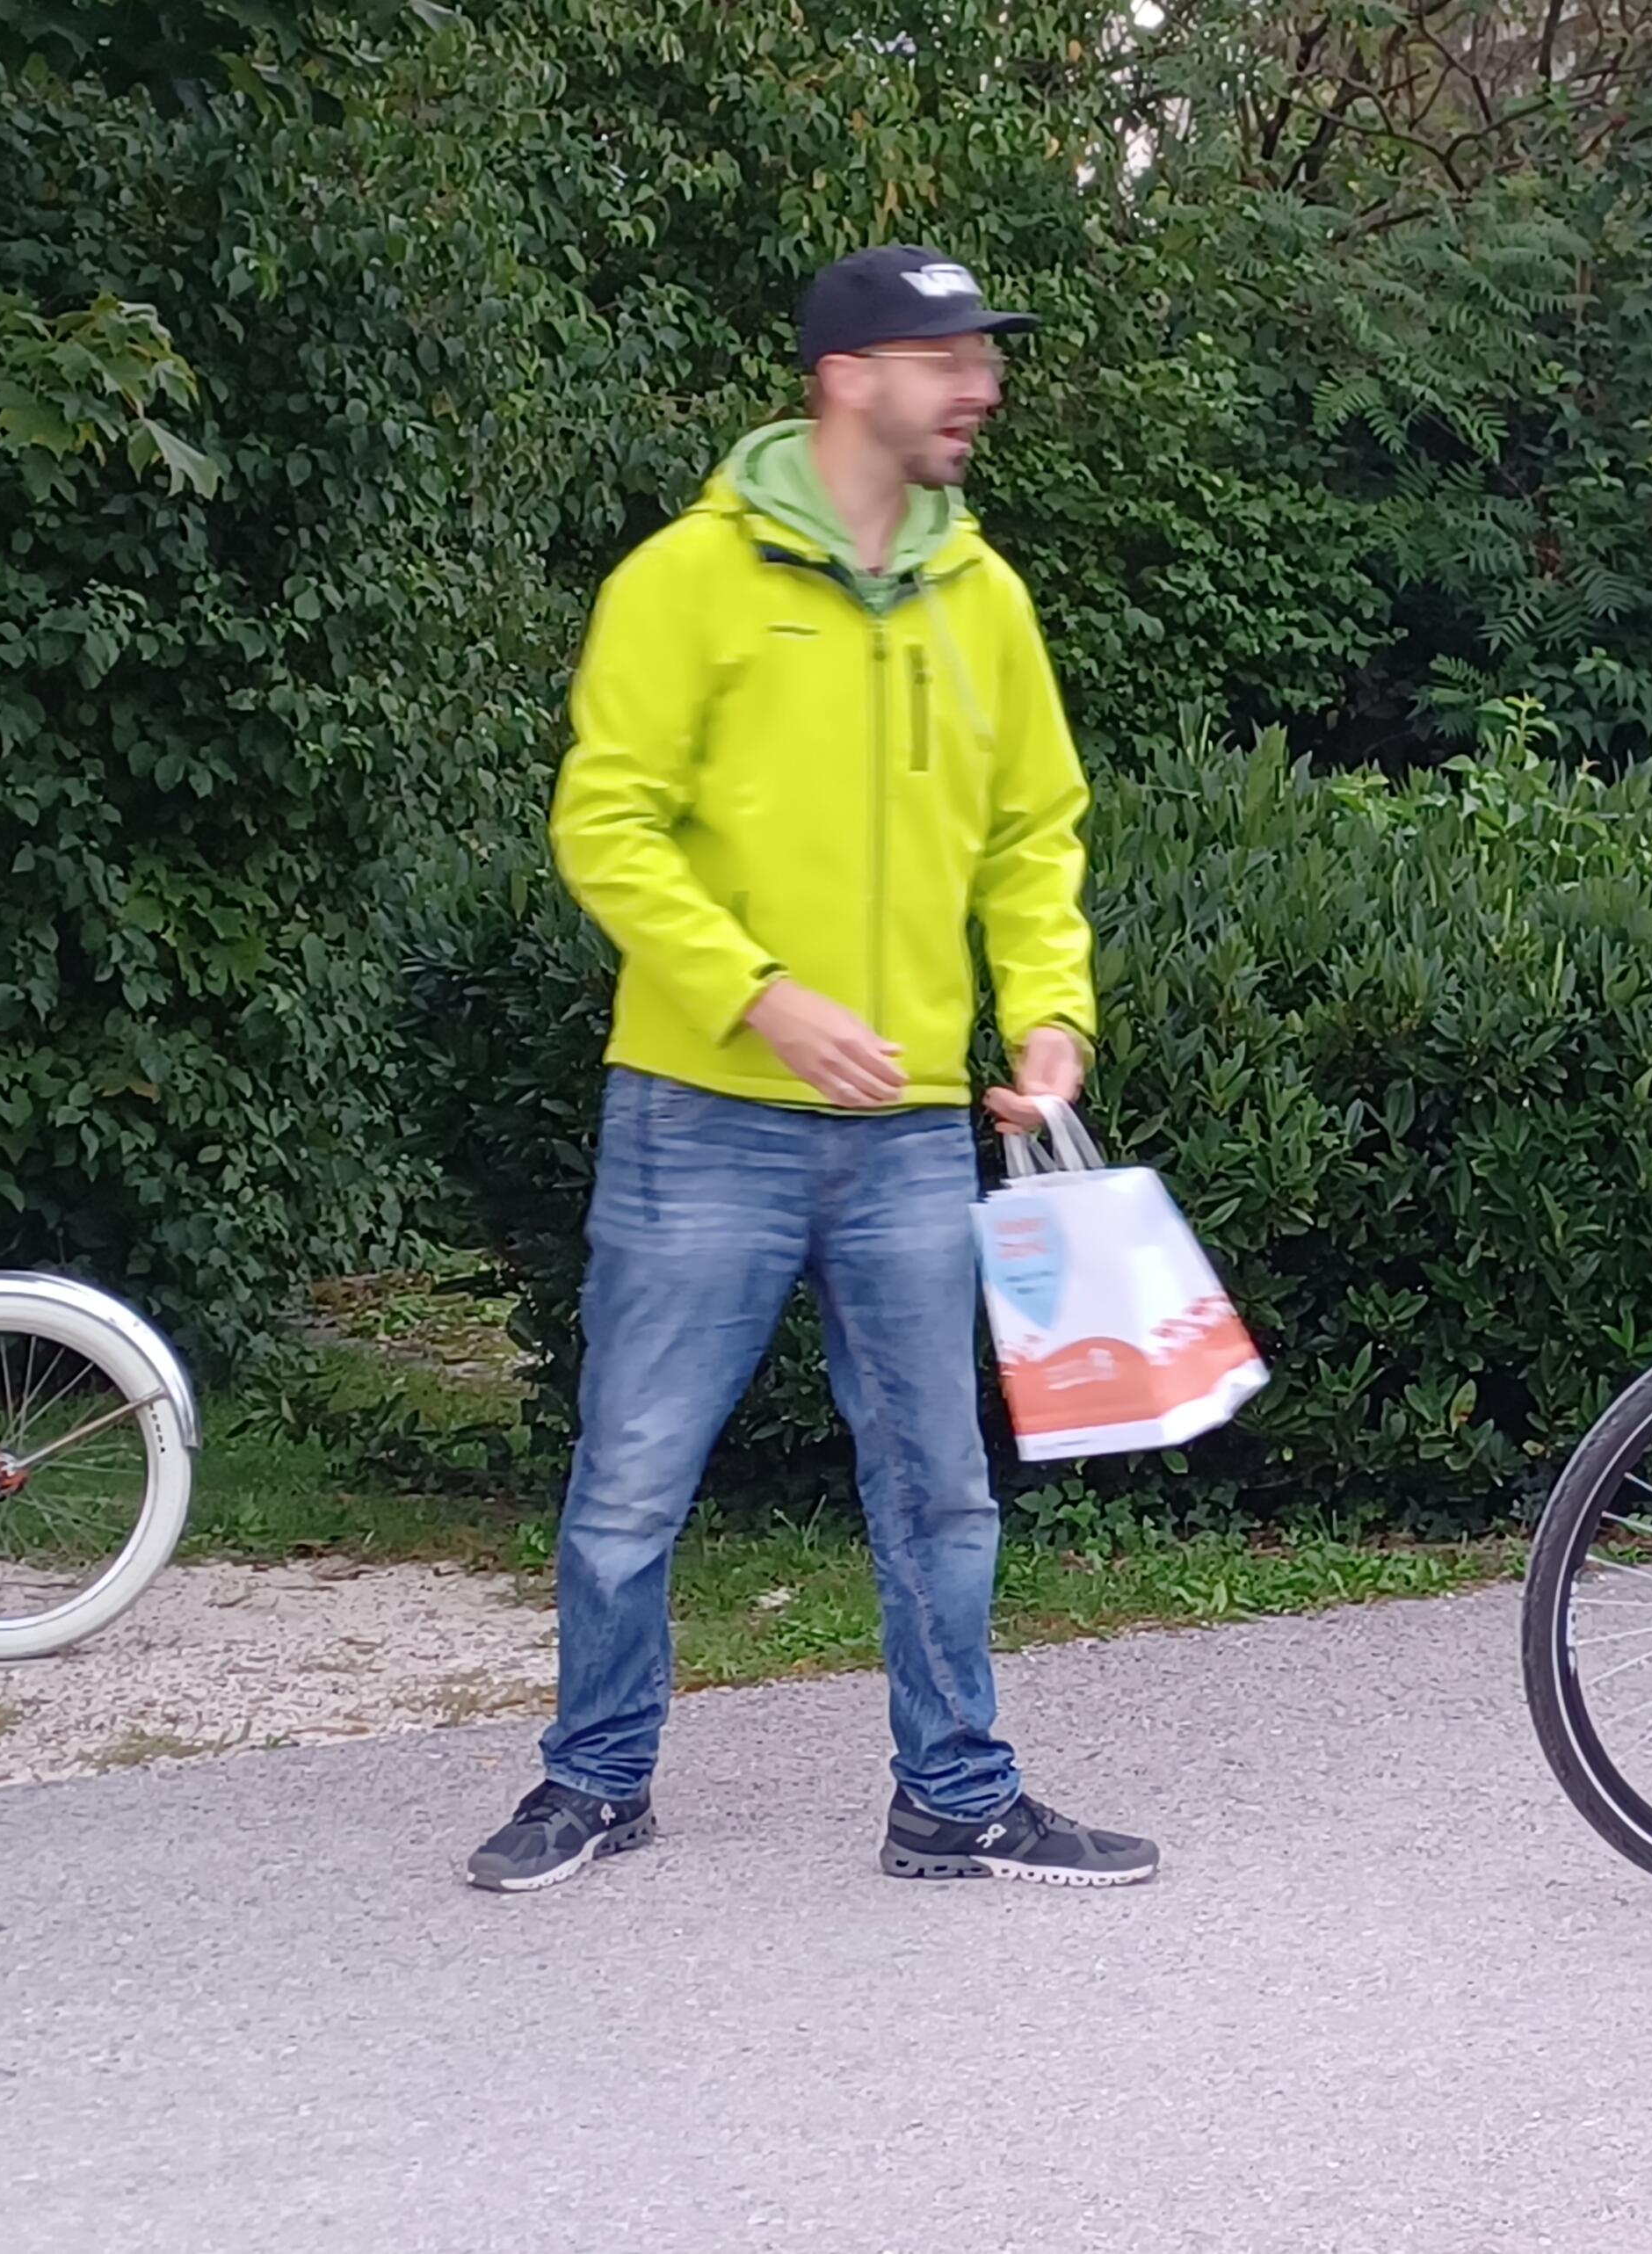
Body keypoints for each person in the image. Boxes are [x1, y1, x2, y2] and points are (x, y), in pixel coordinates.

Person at [467, 246, 1159, 1894]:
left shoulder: (982, 598)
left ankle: (957, 1793)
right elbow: (606, 824)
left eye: (986, 355)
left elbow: (1030, 838)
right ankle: (597, 1778)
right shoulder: (684, 583)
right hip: (699, 1115)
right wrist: (760, 998)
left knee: (939, 1487)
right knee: (631, 1478)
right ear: (847, 375)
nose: (980, 385)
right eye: (948, 357)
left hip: (912, 1123)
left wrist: (1048, 1014)